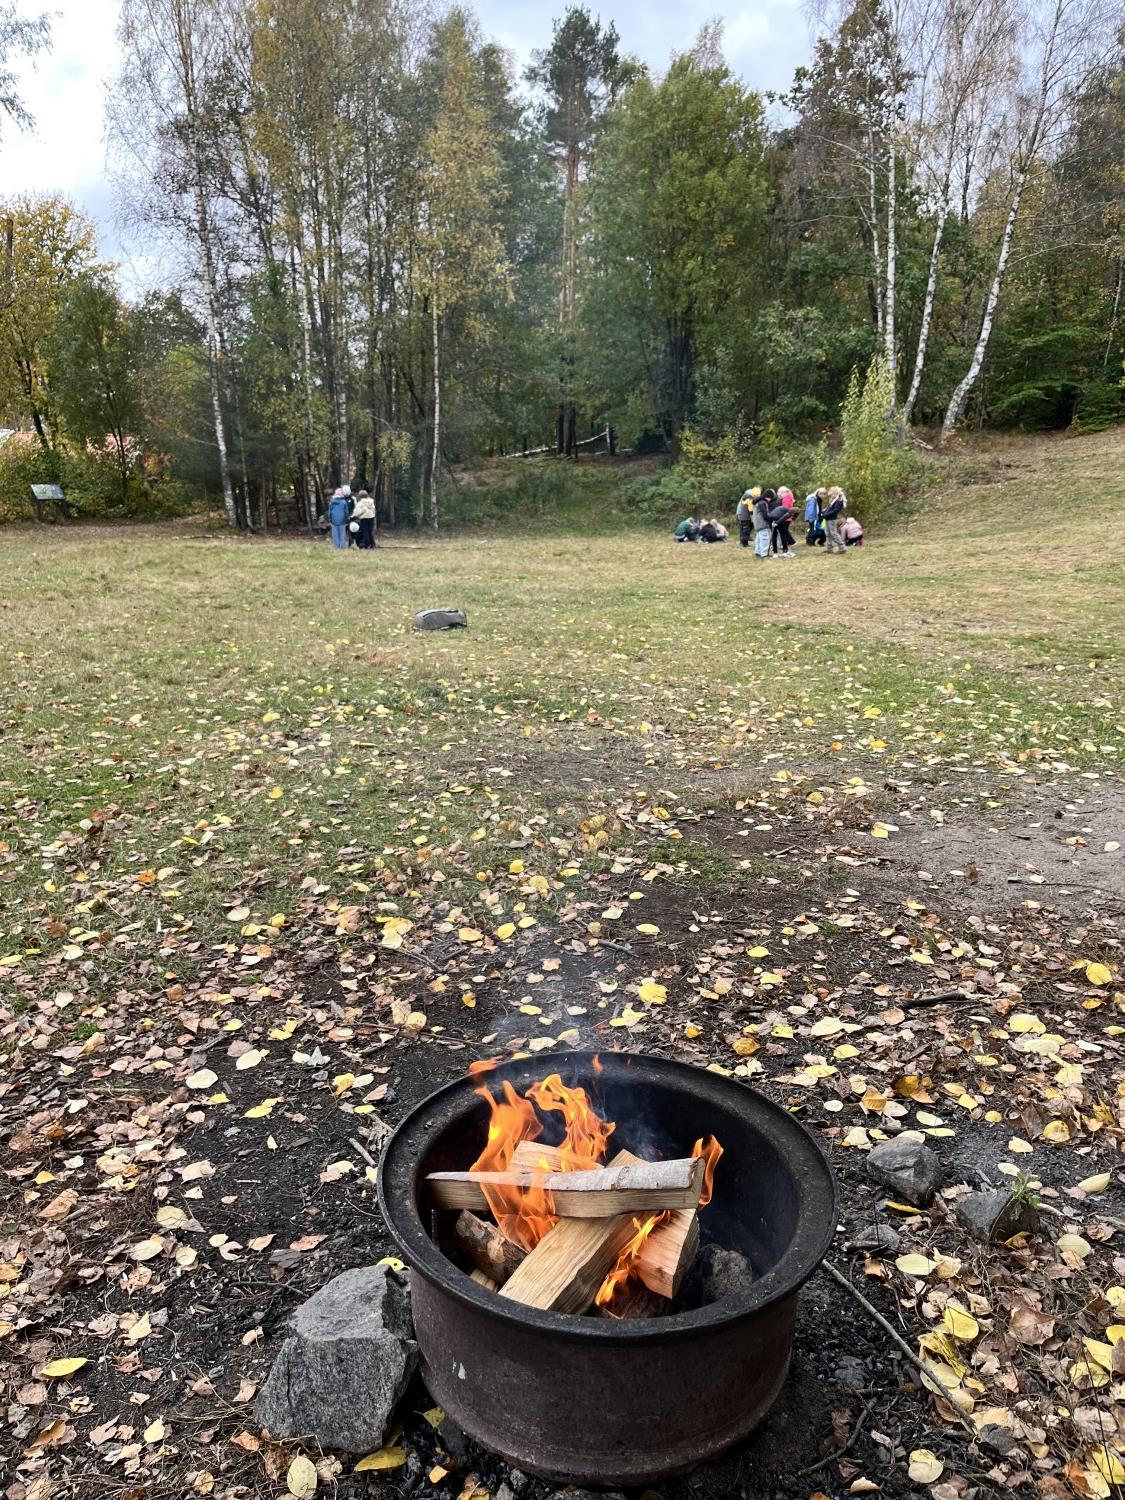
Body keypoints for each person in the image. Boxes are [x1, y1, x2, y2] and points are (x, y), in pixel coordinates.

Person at [771, 488, 797, 557]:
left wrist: (777, 522)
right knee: (782, 533)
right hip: (782, 518)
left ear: (782, 492)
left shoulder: (786, 498)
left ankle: (784, 549)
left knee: (782, 534)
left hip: (784, 518)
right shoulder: (788, 497)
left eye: (779, 492)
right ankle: (785, 549)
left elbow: (785, 510)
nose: (778, 494)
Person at [822, 486, 847, 554]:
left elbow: (835, 511)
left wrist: (826, 515)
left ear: (835, 492)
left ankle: (842, 548)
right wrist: (823, 512)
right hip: (827, 518)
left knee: (834, 533)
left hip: (832, 519)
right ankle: (829, 549)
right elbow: (828, 509)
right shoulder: (833, 499)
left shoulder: (839, 500)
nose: (831, 495)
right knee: (828, 534)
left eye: (832, 493)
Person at [752, 489, 772, 559]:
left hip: (757, 523)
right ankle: (764, 554)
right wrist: (770, 520)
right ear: (768, 497)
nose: (770, 500)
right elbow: (765, 515)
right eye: (770, 498)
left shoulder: (758, 502)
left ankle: (758, 552)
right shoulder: (763, 503)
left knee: (759, 538)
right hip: (762, 523)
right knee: (764, 538)